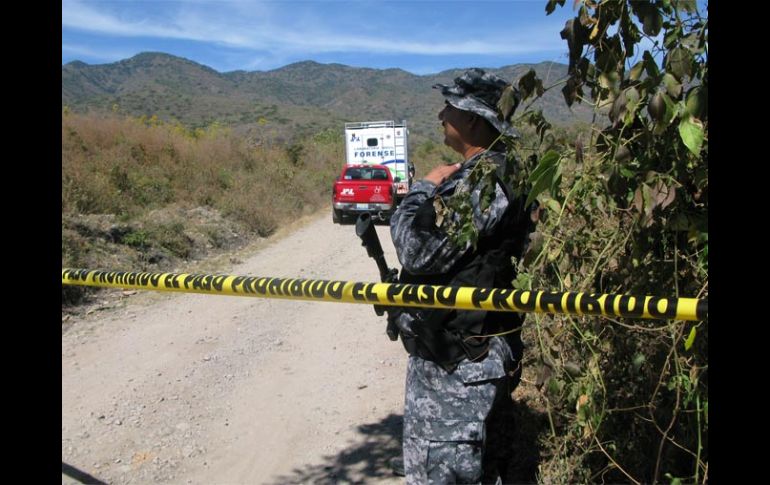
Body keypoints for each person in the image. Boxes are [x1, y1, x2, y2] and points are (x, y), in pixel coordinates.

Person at [388, 68, 537, 484]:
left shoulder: (486, 181)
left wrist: (420, 191)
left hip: (459, 365)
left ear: (472, 118)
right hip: (468, 353)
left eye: (450, 107)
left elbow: (420, 254)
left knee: (442, 472)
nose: (441, 115)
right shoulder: (497, 174)